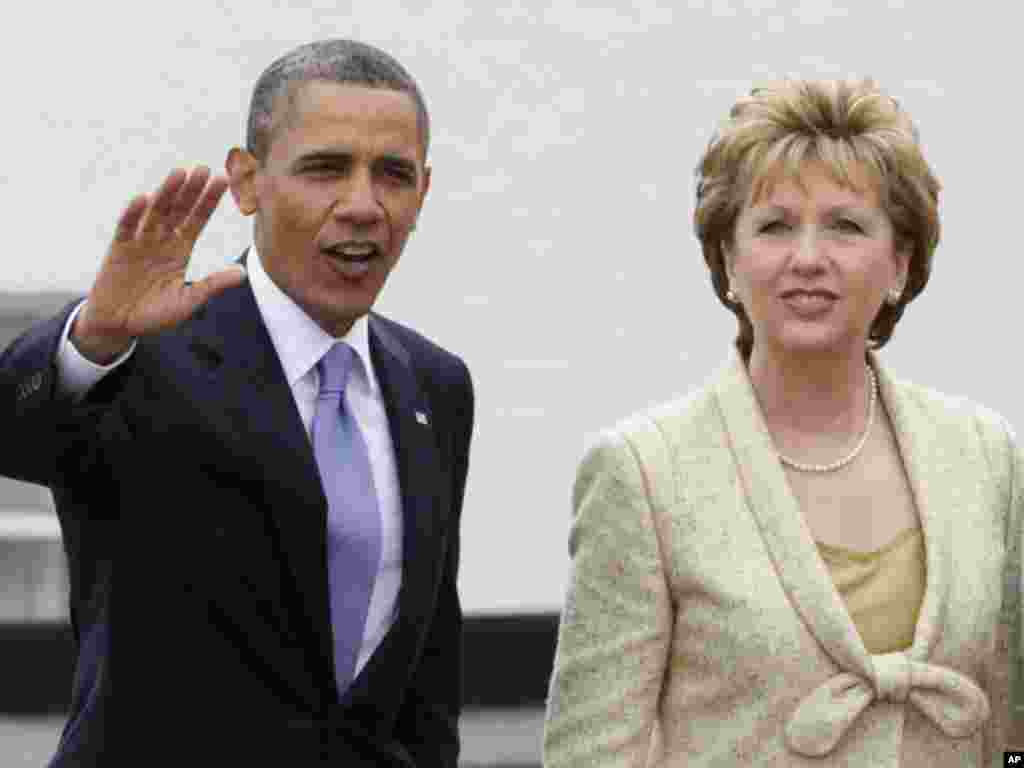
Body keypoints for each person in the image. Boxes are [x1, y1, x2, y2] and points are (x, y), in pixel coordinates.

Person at [0, 39, 473, 767]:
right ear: (247, 182)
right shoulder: (148, 348)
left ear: (423, 193)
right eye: (324, 168)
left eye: (393, 175)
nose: (361, 205)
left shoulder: (434, 387)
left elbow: (427, 656)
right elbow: (16, 436)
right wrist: (93, 337)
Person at [543, 79, 1024, 766]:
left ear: (901, 263)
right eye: (774, 226)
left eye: (846, 225)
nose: (808, 258)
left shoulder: (986, 458)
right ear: (728, 262)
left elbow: (1009, 727)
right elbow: (591, 754)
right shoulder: (643, 472)